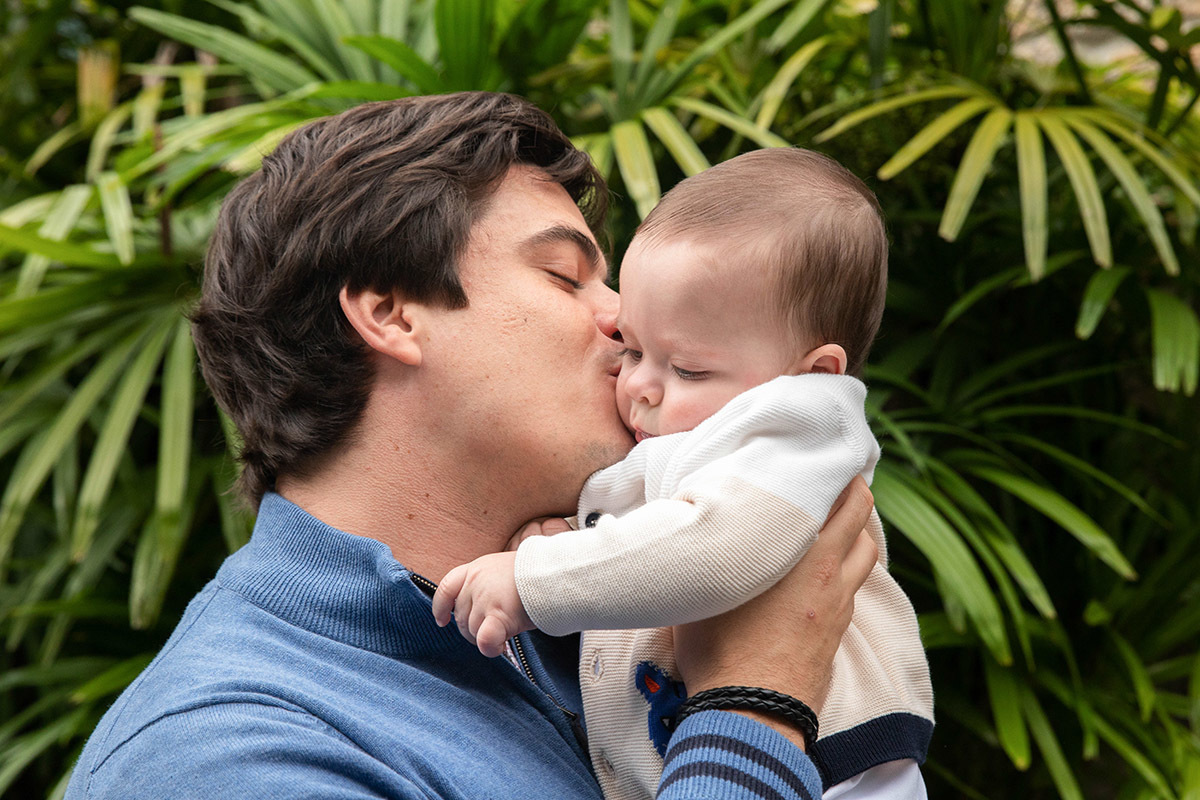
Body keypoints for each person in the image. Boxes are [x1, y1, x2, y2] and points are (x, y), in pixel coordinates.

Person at [64, 93, 879, 800]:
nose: (625, 319)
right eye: (566, 276)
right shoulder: (219, 756)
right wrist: (753, 704)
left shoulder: (605, 611)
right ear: (391, 314)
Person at [432, 149, 934, 799]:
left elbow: (718, 547)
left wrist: (534, 580)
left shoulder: (799, 428)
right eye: (634, 349)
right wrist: (572, 536)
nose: (638, 384)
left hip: (839, 768)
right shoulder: (705, 435)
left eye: (688, 369)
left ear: (815, 374)